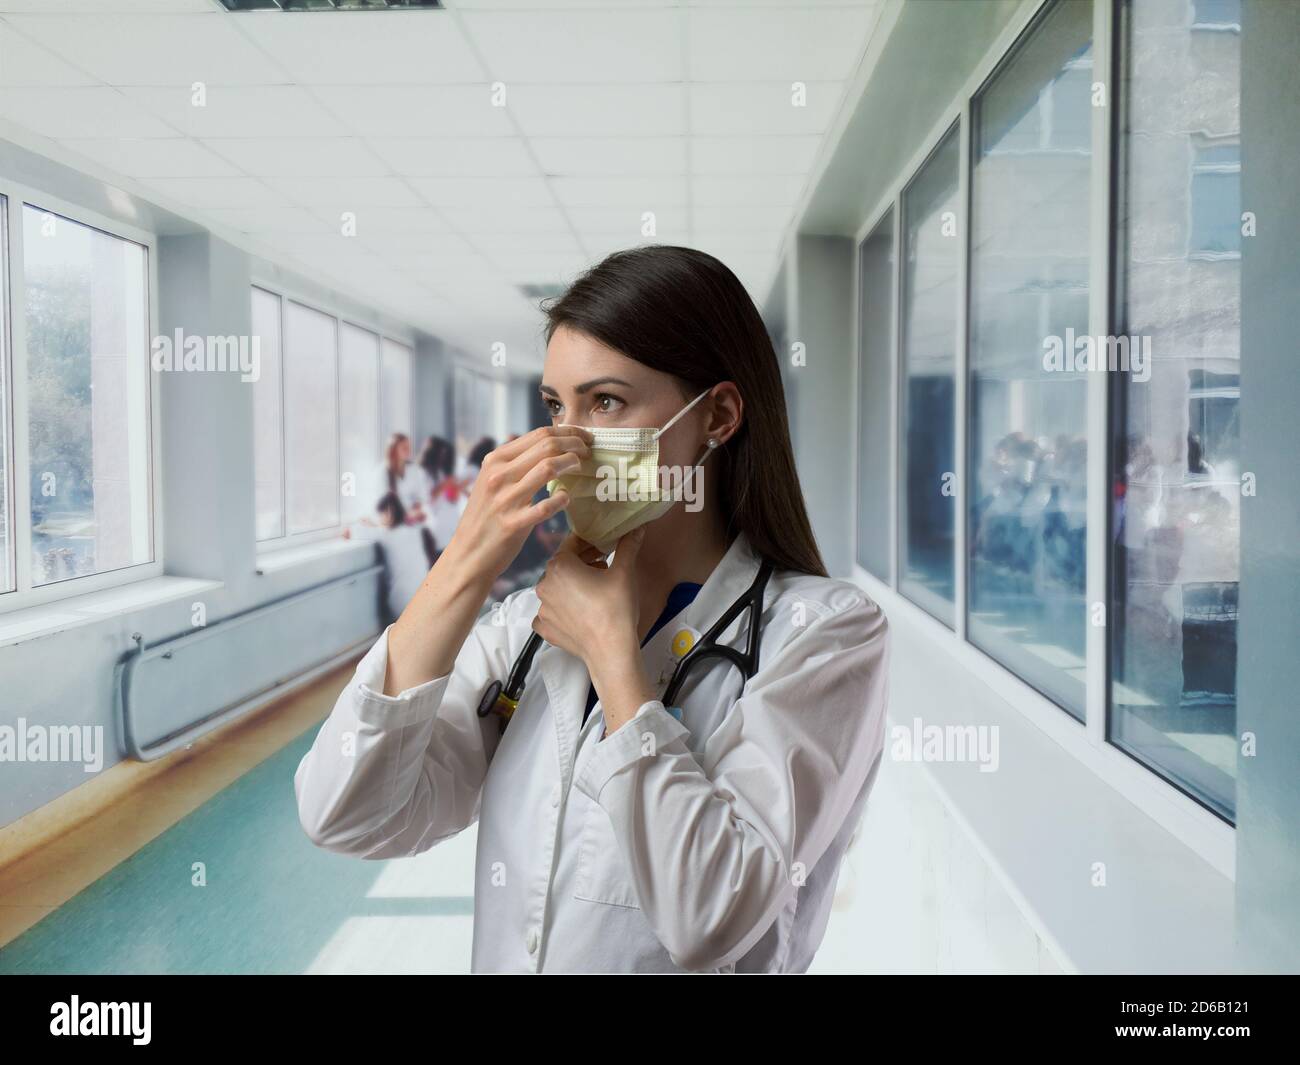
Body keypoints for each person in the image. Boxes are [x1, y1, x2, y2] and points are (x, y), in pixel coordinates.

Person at [294, 245, 890, 974]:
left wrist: (615, 659)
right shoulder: (526, 629)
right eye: (554, 405)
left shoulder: (823, 633)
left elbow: (711, 913)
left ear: (720, 416)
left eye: (605, 401)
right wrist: (462, 565)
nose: (565, 442)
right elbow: (345, 814)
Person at [350, 492, 439, 626]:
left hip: (401, 604)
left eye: (381, 514)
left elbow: (351, 531)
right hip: (425, 599)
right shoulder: (415, 531)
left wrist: (367, 523)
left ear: (389, 512)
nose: (379, 519)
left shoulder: (384, 535)